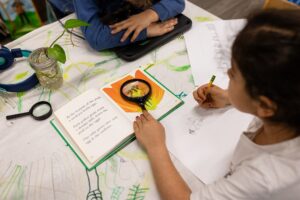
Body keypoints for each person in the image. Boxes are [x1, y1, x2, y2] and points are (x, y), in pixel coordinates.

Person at [133, 9, 300, 200]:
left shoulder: (264, 176)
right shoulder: (288, 105)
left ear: (266, 106)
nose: (227, 73)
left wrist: (156, 147)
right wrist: (230, 98)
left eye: (234, 74)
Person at [48, 0, 184, 51]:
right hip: (66, 6)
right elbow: (96, 38)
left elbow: (178, 1)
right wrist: (146, 30)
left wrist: (150, 14)